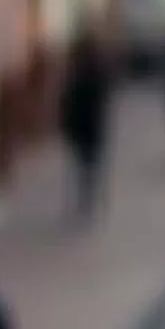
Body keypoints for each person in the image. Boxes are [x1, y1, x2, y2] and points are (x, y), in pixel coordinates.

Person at [57, 37, 112, 223]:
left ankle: (87, 199)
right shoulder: (94, 75)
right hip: (91, 127)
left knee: (85, 165)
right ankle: (89, 199)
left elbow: (68, 103)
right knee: (90, 165)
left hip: (84, 127)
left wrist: (66, 123)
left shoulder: (79, 76)